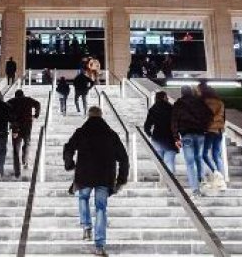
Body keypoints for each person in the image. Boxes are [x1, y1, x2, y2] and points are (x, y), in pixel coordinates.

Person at [63, 106, 129, 257]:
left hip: (84, 175)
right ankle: (99, 246)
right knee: (101, 208)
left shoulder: (81, 132)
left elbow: (68, 148)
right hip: (104, 177)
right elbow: (124, 158)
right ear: (101, 116)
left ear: (88, 116)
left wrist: (69, 164)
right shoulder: (111, 134)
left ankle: (86, 226)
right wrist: (121, 180)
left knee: (83, 197)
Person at [171, 85, 212, 196]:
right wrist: (205, 127)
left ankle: (195, 189)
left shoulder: (179, 104)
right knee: (199, 158)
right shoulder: (199, 102)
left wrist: (176, 137)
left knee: (190, 163)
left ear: (182, 93)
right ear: (191, 92)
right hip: (200, 134)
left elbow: (174, 121)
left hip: (187, 135)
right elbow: (210, 114)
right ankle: (201, 181)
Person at [7, 90, 41, 179]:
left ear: (15, 95)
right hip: (27, 126)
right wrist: (36, 115)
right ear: (23, 95)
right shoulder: (28, 100)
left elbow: (5, 111)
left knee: (16, 149)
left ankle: (17, 171)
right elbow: (38, 104)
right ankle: (25, 161)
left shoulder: (11, 101)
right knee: (27, 144)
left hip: (16, 127)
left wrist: (9, 121)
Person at [198, 83, 226, 188]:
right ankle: (222, 180)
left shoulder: (204, 102)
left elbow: (203, 116)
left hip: (209, 130)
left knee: (204, 154)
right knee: (216, 155)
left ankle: (215, 172)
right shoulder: (220, 102)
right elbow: (223, 117)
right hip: (219, 130)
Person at [143, 91, 177, 173]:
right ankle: (171, 180)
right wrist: (177, 137)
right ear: (163, 98)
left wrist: (150, 135)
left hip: (157, 138)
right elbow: (176, 124)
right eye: (166, 97)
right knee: (170, 162)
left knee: (160, 164)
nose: (168, 99)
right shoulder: (171, 108)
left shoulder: (153, 109)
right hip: (169, 138)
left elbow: (146, 126)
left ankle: (163, 179)